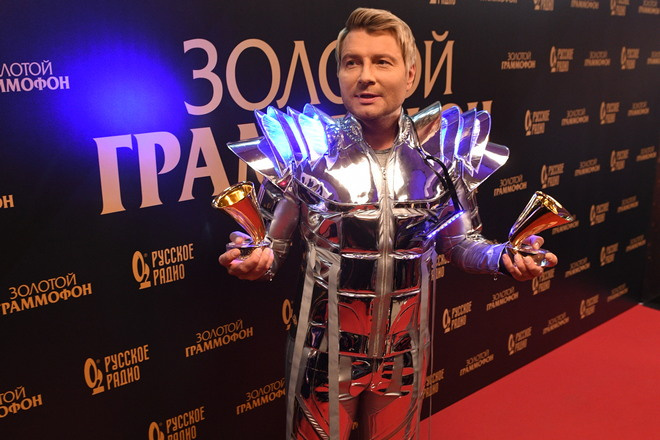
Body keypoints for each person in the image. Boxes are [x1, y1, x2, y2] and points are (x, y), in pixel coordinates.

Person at [218, 7, 556, 440]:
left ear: (410, 75)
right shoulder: (305, 151)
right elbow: (270, 246)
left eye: (382, 62)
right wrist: (253, 258)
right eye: (352, 63)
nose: (365, 76)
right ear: (339, 74)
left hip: (405, 354)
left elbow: (461, 243)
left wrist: (503, 257)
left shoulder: (442, 154)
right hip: (322, 352)